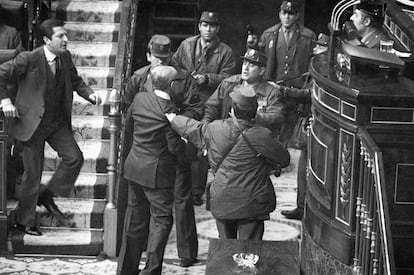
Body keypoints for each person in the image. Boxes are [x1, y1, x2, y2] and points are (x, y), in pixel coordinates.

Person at [0, 19, 101, 236]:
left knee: (74, 157)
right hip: (31, 123)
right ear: (47, 40)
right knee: (32, 174)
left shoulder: (64, 57)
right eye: (60, 36)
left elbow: (75, 80)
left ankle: (46, 194)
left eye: (65, 35)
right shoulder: (28, 58)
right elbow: (1, 74)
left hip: (56, 123)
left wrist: (89, 94)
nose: (66, 40)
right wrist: (5, 101)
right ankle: (24, 221)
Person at [166, 85, 290, 240]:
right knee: (249, 253)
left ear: (232, 110)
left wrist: (173, 118)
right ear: (256, 112)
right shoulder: (263, 135)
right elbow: (284, 159)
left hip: (222, 200)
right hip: (253, 203)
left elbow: (191, 128)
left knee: (225, 250)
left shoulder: (214, 129)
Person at [122, 34, 202, 267]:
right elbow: (128, 109)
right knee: (152, 215)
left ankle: (187, 252)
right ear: (149, 56)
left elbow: (195, 108)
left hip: (173, 152)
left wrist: (177, 121)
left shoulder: (183, 78)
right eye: (157, 58)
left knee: (182, 201)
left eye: (165, 58)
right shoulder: (138, 78)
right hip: (154, 154)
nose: (161, 62)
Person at [117, 65, 184, 275]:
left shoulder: (138, 99)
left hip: (134, 168)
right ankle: (151, 270)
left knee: (135, 220)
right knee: (161, 222)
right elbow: (175, 148)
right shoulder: (169, 110)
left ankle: (126, 270)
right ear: (172, 85)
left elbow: (128, 129)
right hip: (157, 175)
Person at [172, 10, 236, 207]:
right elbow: (174, 67)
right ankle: (180, 188)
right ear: (199, 26)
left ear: (218, 29)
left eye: (212, 26)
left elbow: (228, 77)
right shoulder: (186, 45)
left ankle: (197, 191)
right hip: (185, 101)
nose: (208, 29)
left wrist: (207, 78)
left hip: (209, 103)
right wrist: (186, 76)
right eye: (205, 25)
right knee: (181, 145)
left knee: (201, 148)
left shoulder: (225, 51)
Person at [247, 0, 315, 147]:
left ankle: (284, 160)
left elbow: (313, 65)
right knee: (270, 129)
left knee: (291, 131)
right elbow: (258, 60)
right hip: (272, 89)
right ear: (279, 14)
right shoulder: (269, 34)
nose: (287, 17)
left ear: (297, 16)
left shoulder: (308, 36)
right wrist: (251, 45)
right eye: (284, 13)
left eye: (291, 13)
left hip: (296, 93)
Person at [203, 48, 285, 138]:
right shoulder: (229, 84)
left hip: (255, 138)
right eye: (245, 63)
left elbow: (276, 117)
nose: (246, 68)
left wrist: (252, 116)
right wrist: (205, 126)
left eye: (251, 65)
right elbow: (211, 106)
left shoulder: (272, 93)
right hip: (228, 134)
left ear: (261, 71)